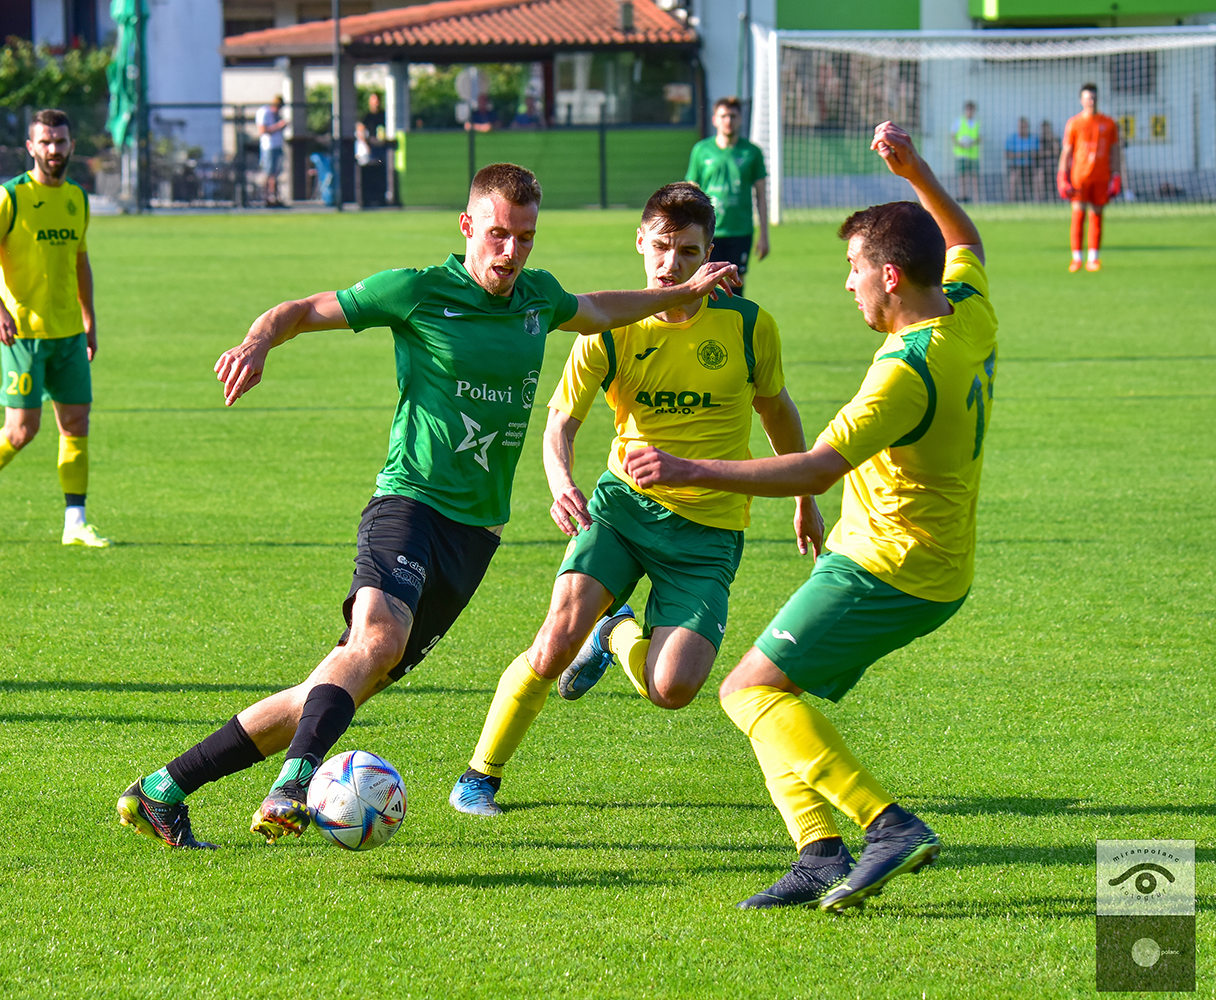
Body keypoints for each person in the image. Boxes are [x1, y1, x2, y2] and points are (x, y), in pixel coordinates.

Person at [113, 162, 736, 851]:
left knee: (341, 682)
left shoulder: (539, 297)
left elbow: (602, 308)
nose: (510, 252)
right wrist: (258, 341)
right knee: (375, 642)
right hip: (409, 504)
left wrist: (685, 290)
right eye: (498, 234)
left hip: (475, 539)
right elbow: (303, 311)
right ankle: (294, 784)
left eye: (525, 238)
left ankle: (163, 789)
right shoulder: (416, 291)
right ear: (467, 226)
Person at [623, 121, 996, 912]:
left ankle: (886, 825)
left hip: (890, 566)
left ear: (890, 276)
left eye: (855, 270)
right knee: (765, 689)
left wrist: (687, 468)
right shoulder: (968, 311)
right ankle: (819, 854)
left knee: (747, 693)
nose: (848, 285)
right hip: (925, 560)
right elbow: (965, 239)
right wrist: (914, 172)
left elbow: (819, 467)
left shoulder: (906, 372)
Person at [449, 182, 823, 817]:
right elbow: (560, 423)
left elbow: (776, 411)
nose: (671, 264)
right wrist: (561, 481)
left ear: (709, 253)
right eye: (661, 247)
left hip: (709, 530)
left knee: (672, 688)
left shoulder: (748, 326)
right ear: (641, 243)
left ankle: (616, 632)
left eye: (688, 251)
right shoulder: (610, 327)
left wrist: (804, 494)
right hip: (623, 511)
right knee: (554, 642)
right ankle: (480, 774)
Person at [0, 109, 109, 549]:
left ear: (71, 145)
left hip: (69, 333)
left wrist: (90, 319)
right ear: (30, 147)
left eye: (60, 141)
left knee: (76, 423)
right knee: (22, 430)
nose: (53, 149)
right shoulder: (9, 197)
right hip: (23, 334)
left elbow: (80, 260)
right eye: (45, 142)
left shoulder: (77, 198)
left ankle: (75, 522)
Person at [685, 97, 769, 297]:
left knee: (735, 281)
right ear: (714, 119)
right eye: (723, 116)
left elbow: (761, 196)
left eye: (733, 116)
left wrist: (764, 235)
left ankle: (735, 315)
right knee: (706, 281)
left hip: (740, 229)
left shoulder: (752, 152)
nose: (728, 121)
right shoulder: (701, 150)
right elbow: (691, 193)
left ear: (740, 119)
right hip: (708, 230)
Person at [1058, 83, 1121, 273]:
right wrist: (1062, 176)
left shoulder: (1108, 123)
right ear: (1081, 100)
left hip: (1101, 176)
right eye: (1087, 98)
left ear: (1097, 99)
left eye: (1093, 98)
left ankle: (1093, 258)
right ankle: (1076, 258)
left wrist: (1116, 176)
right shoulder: (1074, 123)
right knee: (1078, 215)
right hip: (1079, 177)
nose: (1090, 101)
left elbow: (1115, 151)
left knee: (1097, 214)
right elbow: (1067, 151)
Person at [257, 95, 286, 207]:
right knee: (269, 173)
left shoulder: (277, 115)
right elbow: (262, 130)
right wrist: (278, 126)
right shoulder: (264, 112)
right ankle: (267, 197)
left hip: (278, 146)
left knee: (276, 174)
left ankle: (275, 197)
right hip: (269, 147)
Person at [1004, 117, 1041, 203]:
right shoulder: (1012, 138)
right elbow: (1007, 154)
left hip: (1030, 166)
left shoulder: (1033, 139)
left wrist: (1028, 154)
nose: (1022, 129)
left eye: (1024, 126)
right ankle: (1011, 201)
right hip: (1016, 166)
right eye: (1020, 126)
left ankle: (1037, 201)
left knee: (1038, 176)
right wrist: (1019, 155)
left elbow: (1037, 153)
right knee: (1013, 178)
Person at [951, 101, 980, 203]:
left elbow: (979, 137)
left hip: (973, 155)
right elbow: (953, 136)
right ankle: (963, 197)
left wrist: (972, 143)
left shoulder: (976, 123)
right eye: (968, 110)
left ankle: (976, 199)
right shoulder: (959, 122)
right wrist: (960, 144)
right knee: (962, 176)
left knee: (974, 177)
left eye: (972, 110)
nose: (970, 112)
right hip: (961, 154)